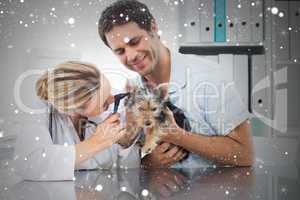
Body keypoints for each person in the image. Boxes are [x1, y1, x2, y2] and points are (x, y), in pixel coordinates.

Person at [98, 0, 254, 168]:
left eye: (134, 42)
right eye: (120, 51)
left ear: (153, 27)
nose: (131, 56)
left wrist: (178, 136)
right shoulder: (132, 91)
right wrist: (148, 163)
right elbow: (131, 154)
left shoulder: (210, 77)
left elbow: (245, 155)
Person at [14, 61, 140, 181]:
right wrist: (96, 142)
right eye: (105, 103)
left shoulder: (109, 110)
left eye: (110, 91)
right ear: (72, 108)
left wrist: (126, 143)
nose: (113, 99)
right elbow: (28, 164)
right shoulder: (39, 110)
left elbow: (123, 168)